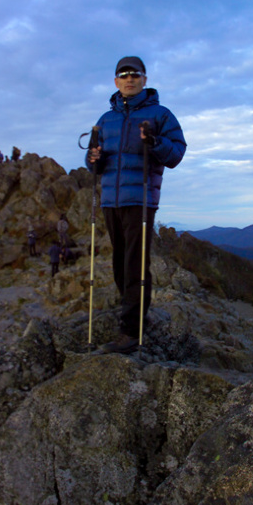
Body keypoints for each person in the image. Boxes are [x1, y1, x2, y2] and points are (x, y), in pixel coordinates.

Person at [86, 56, 186, 354]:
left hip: (141, 199)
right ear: (116, 81)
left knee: (135, 264)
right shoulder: (106, 119)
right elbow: (94, 163)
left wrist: (155, 142)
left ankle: (131, 330)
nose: (129, 79)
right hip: (110, 200)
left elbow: (176, 153)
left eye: (135, 75)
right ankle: (134, 314)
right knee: (119, 262)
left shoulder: (160, 114)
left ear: (145, 79)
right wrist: (94, 159)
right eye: (124, 75)